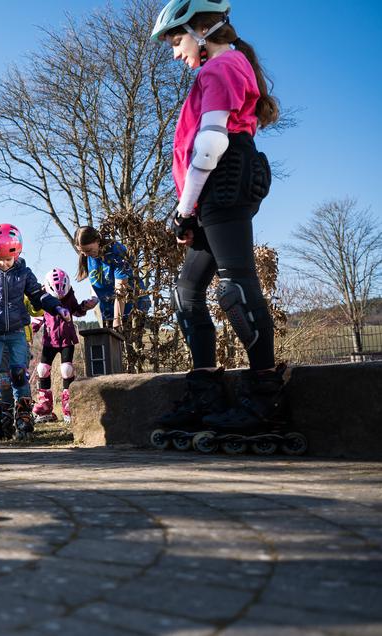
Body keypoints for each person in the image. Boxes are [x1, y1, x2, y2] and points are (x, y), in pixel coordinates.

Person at [150, 0, 301, 452]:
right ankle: (205, 392)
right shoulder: (224, 67)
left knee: (236, 287)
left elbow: (212, 142)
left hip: (222, 181)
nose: (176, 54)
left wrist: (184, 206)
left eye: (177, 42)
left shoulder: (220, 67)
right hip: (215, 191)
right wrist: (191, 209)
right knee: (187, 292)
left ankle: (264, 398)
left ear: (199, 31)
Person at [0, 224, 67, 441]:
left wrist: (56, 307)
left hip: (17, 332)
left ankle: (23, 414)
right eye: (1, 259)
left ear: (17, 255)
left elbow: (38, 295)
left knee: (19, 373)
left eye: (10, 259)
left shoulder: (24, 273)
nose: (6, 264)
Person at [31, 268, 99, 423]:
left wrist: (85, 306)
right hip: (50, 340)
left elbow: (76, 310)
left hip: (67, 340)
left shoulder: (69, 296)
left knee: (66, 369)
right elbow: (38, 317)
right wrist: (30, 331)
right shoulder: (45, 299)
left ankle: (69, 406)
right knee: (42, 369)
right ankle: (45, 406)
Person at [73, 226, 149, 330]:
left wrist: (117, 321)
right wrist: (95, 299)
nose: (86, 255)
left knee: (126, 342)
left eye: (88, 250)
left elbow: (121, 290)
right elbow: (95, 279)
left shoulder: (116, 252)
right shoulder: (89, 256)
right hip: (108, 310)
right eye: (82, 251)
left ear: (97, 240)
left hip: (131, 307)